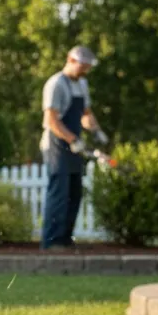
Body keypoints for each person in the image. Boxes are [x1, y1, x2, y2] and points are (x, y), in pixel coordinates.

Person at [40, 45, 108, 249]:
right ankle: (51, 242)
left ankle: (65, 239)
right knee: (59, 192)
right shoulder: (55, 84)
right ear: (70, 60)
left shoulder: (82, 84)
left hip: (74, 144)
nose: (85, 71)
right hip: (56, 145)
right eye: (82, 67)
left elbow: (85, 114)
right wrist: (73, 140)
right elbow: (51, 120)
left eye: (87, 68)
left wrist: (96, 131)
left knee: (74, 192)